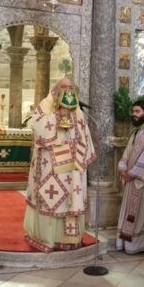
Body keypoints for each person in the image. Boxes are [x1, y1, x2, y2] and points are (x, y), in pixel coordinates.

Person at [23, 77, 96, 252]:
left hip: (72, 169)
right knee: (51, 199)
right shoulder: (46, 105)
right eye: (64, 86)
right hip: (51, 167)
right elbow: (36, 128)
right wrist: (58, 115)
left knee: (71, 199)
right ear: (56, 89)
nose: (67, 90)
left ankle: (70, 239)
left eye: (71, 87)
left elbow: (84, 135)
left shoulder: (78, 111)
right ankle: (47, 237)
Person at [116, 100, 144, 254]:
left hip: (141, 180)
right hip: (130, 179)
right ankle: (126, 244)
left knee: (139, 215)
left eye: (137, 111)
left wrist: (133, 172)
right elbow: (128, 151)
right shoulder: (136, 132)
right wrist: (122, 167)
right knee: (129, 213)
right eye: (133, 111)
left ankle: (137, 245)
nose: (134, 114)